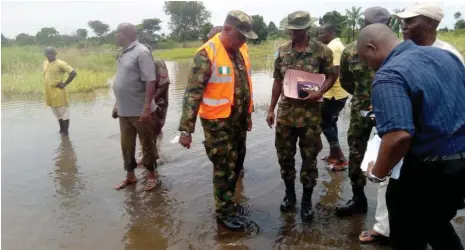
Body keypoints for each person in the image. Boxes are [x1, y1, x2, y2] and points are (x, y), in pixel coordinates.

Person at [359, 23, 465, 250]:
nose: (370, 67)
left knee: (407, 235)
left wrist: (377, 173)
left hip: (427, 172)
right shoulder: (446, 56)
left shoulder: (389, 74)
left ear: (372, 48)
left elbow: (399, 137)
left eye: (367, 60)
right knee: (436, 224)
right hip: (460, 168)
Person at [177, 10, 257, 232]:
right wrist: (186, 130)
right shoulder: (206, 54)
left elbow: (245, 85)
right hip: (217, 123)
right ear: (227, 29)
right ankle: (223, 213)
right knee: (224, 167)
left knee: (238, 161)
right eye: (240, 36)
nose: (242, 42)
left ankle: (229, 203)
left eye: (245, 38)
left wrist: (248, 116)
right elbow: (193, 93)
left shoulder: (240, 50)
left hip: (238, 120)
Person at [267, 11, 337, 221]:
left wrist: (321, 91)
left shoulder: (322, 51)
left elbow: (332, 75)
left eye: (297, 30)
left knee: (309, 160)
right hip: (286, 115)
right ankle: (290, 196)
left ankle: (306, 201)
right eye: (290, 29)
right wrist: (271, 109)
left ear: (306, 29)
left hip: (310, 117)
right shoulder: (281, 52)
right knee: (285, 158)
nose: (292, 33)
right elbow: (278, 81)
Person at [335, 7, 391, 220]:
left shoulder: (399, 49)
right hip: (362, 109)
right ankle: (358, 199)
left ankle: (391, 208)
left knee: (395, 152)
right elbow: (346, 81)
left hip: (392, 110)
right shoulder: (351, 51)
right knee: (356, 150)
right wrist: (363, 98)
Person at [112, 23, 158, 192]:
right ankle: (130, 176)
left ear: (125, 34)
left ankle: (152, 176)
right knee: (126, 145)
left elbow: (150, 81)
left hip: (140, 110)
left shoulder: (142, 52)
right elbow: (121, 81)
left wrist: (146, 108)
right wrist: (117, 103)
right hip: (124, 110)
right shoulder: (123, 53)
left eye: (117, 32)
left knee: (147, 144)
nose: (115, 35)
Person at [317, 23, 349, 170]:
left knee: (325, 124)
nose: (319, 36)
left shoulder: (332, 48)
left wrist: (321, 90)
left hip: (333, 94)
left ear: (329, 32)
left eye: (321, 33)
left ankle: (341, 158)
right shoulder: (338, 45)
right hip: (339, 93)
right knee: (331, 123)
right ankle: (333, 155)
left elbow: (334, 73)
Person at [395, 1, 465, 64]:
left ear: (429, 22)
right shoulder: (401, 53)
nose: (404, 27)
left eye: (410, 21)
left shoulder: (449, 57)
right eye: (403, 22)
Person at [43, 46, 77, 136]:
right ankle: (61, 130)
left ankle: (66, 133)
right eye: (47, 55)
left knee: (64, 114)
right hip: (49, 92)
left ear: (55, 54)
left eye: (51, 54)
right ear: (45, 55)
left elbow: (73, 73)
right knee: (57, 114)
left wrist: (65, 84)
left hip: (58, 92)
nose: (49, 56)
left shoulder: (60, 63)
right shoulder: (45, 63)